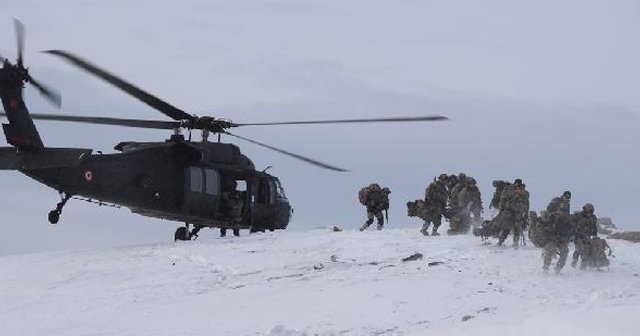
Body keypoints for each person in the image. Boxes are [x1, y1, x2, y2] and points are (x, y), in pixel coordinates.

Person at [541, 192, 574, 273]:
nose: (567, 200)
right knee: (550, 251)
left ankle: (558, 268)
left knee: (565, 251)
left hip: (561, 238)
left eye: (568, 199)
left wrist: (568, 237)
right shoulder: (552, 215)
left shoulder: (567, 217)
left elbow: (569, 228)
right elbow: (547, 227)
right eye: (566, 198)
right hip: (552, 237)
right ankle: (545, 268)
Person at [496, 179, 530, 247]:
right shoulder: (509, 192)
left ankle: (515, 243)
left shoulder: (524, 194)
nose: (518, 189)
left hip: (518, 213)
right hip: (509, 211)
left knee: (517, 228)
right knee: (506, 227)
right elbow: (503, 200)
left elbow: (526, 204)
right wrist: (502, 209)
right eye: (517, 187)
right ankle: (500, 242)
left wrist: (526, 214)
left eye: (519, 188)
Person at [571, 203, 598, 268]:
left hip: (587, 236)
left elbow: (594, 227)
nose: (589, 213)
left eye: (591, 211)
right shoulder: (578, 216)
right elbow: (571, 224)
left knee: (587, 250)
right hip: (578, 237)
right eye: (588, 211)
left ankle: (584, 266)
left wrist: (594, 235)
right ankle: (574, 263)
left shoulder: (593, 218)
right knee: (580, 249)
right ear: (585, 210)